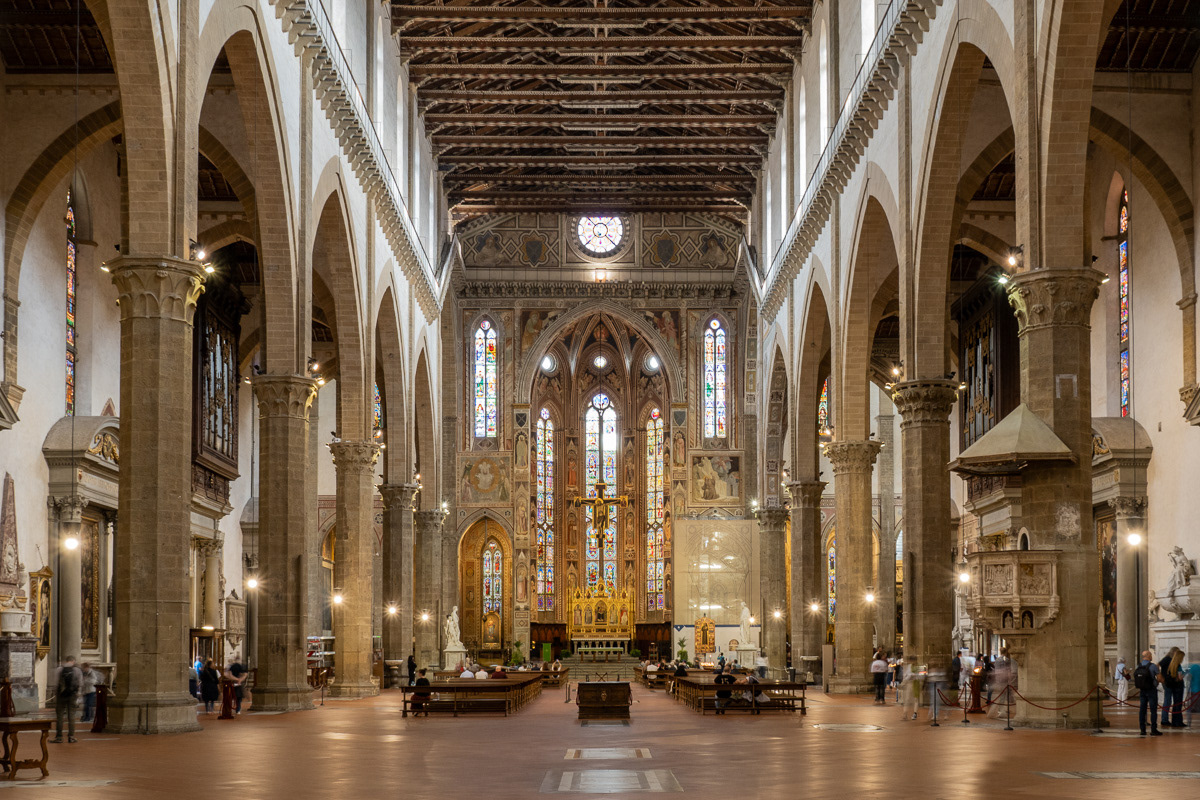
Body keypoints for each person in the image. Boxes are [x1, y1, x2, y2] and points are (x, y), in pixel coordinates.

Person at [50, 655, 82, 744]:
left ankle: (59, 737)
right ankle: (71, 737)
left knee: (59, 716)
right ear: (73, 661)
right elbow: (80, 683)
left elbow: (55, 683)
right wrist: (78, 695)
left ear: (66, 661)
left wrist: (56, 693)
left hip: (61, 695)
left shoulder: (59, 669)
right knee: (71, 716)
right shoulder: (77, 670)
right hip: (72, 695)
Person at [1134, 650, 1163, 736]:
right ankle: (1153, 729)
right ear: (1148, 656)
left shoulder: (1138, 666)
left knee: (1142, 710)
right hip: (1151, 690)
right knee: (1153, 710)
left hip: (1142, 690)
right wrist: (1157, 682)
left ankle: (1142, 730)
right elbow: (1159, 678)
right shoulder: (1153, 666)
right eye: (1151, 655)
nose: (1151, 657)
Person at [1160, 647, 1186, 728]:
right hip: (1177, 685)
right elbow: (1179, 677)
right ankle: (1176, 721)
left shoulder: (1171, 663)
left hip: (1170, 684)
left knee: (1171, 702)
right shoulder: (1176, 664)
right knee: (1177, 703)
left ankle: (1169, 720)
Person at [1185, 657, 1200, 727]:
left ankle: (1189, 723)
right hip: (1197, 689)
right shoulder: (1197, 667)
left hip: (1193, 689)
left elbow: (1189, 678)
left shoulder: (1192, 667)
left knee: (1192, 702)